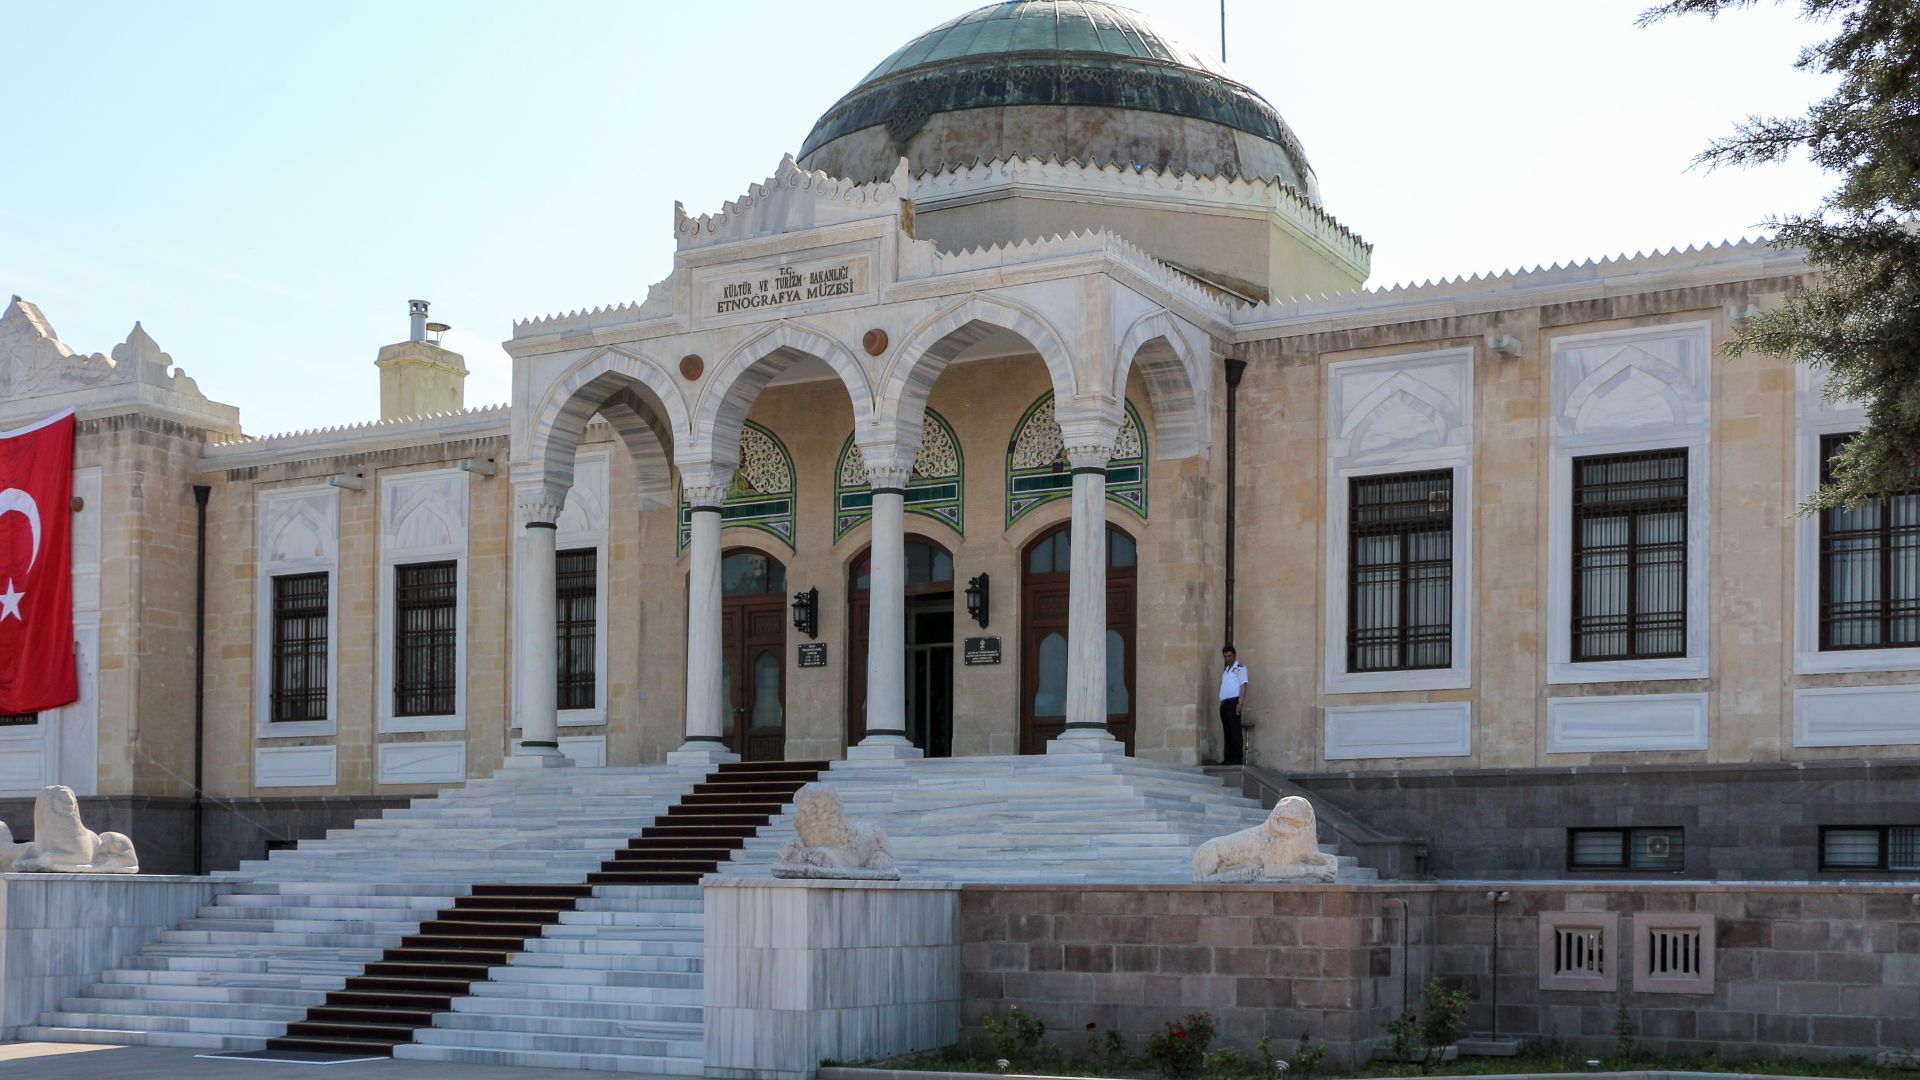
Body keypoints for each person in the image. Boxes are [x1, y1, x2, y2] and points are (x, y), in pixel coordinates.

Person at [1217, 644, 1248, 766]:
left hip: (1234, 702)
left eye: (1229, 656)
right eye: (1225, 656)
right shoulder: (1226, 671)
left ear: (1234, 656)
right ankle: (1228, 758)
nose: (1227, 658)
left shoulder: (1239, 668)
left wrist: (1240, 703)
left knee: (1235, 730)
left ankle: (1237, 758)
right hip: (1225, 704)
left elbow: (1244, 684)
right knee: (1227, 731)